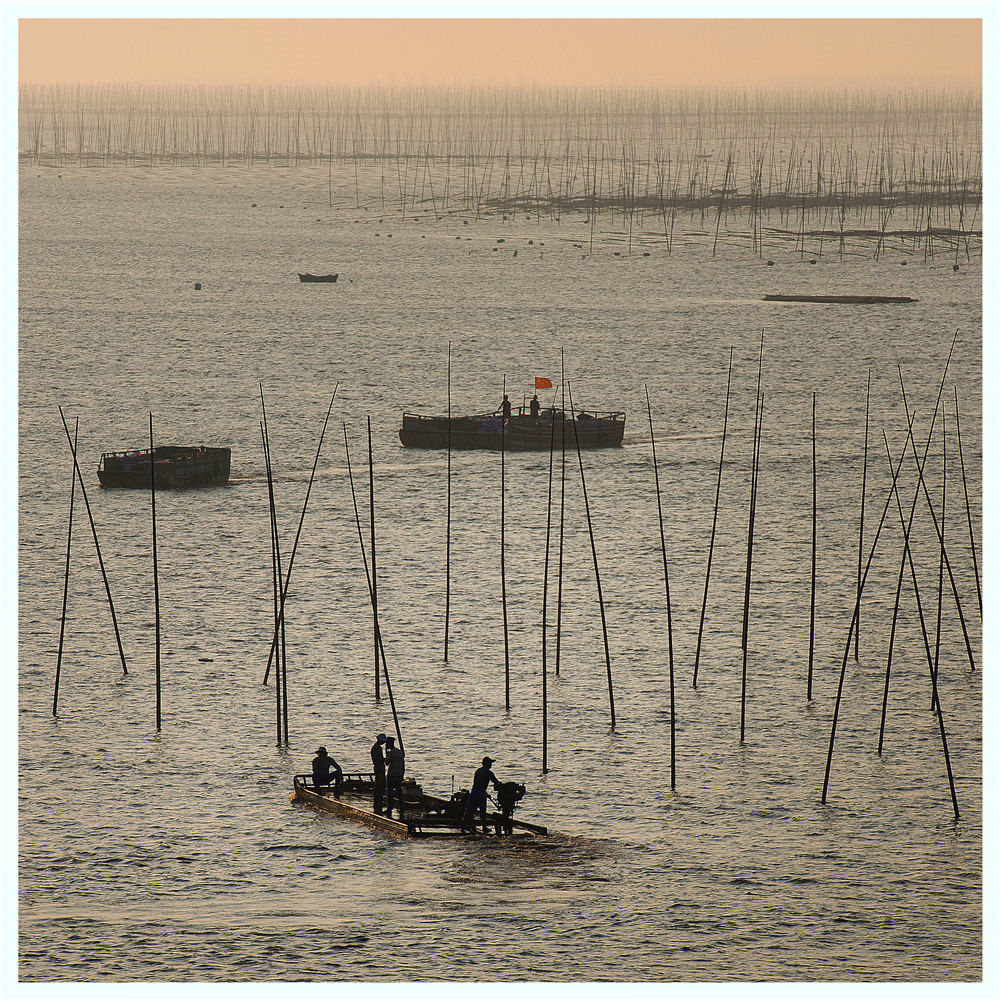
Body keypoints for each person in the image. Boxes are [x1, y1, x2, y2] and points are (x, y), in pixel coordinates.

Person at [462, 756, 500, 834]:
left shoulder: (478, 771)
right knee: (482, 810)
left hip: (474, 791)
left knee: (469, 809)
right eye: (490, 763)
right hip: (481, 792)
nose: (491, 765)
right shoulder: (489, 773)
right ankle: (484, 827)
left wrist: (485, 793)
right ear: (487, 764)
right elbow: (496, 782)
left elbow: (477, 783)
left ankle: (462, 825)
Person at [385, 737, 405, 819]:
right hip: (399, 775)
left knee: (390, 793)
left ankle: (389, 808)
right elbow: (403, 764)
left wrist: (386, 754)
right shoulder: (399, 752)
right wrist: (402, 774)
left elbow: (386, 763)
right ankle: (402, 807)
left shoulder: (391, 753)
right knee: (399, 792)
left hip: (392, 775)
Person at [370, 733, 387, 815]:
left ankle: (378, 801)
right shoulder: (377, 748)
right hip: (378, 767)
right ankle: (377, 801)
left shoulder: (376, 747)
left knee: (380, 784)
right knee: (379, 785)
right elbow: (378, 759)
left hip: (379, 767)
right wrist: (386, 759)